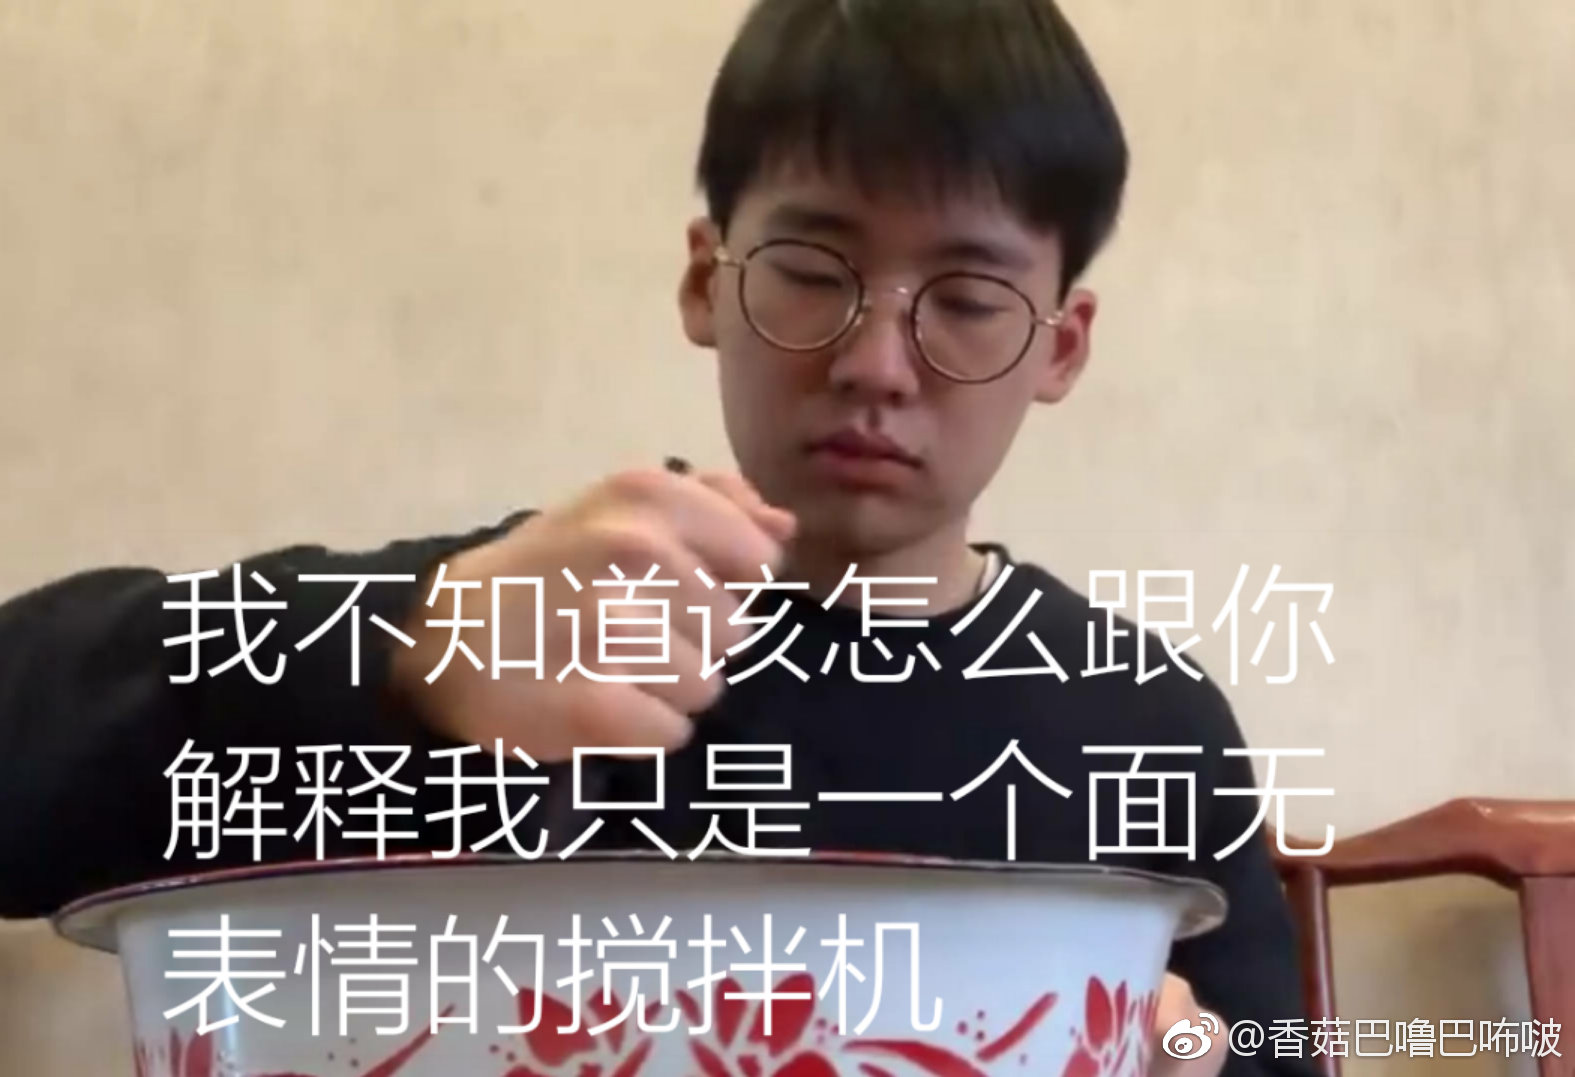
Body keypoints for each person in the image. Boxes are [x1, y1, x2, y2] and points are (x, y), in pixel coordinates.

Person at [0, 1, 1316, 1073]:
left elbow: (1272, 1054)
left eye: (968, 299)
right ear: (705, 281)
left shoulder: (1145, 722)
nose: (875, 362)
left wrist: (1197, 1063)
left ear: (1061, 346)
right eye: (812, 272)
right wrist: (408, 642)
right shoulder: (505, 641)